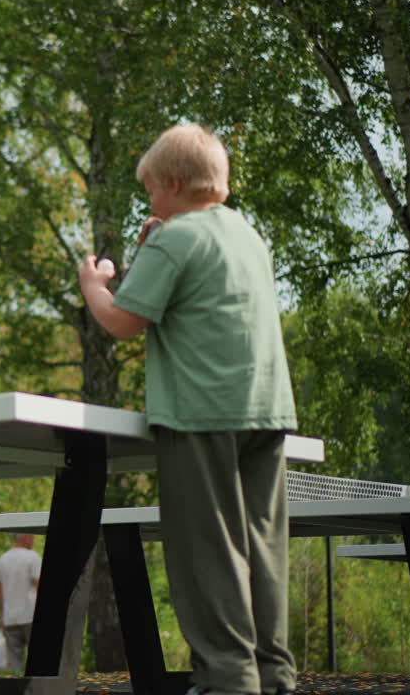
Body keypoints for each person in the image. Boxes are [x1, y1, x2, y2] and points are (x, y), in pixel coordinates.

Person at [77, 124, 297, 695]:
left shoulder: (177, 240)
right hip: (266, 411)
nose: (149, 201)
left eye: (150, 189)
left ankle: (227, 678)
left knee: (208, 549)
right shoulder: (248, 236)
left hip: (201, 413)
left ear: (172, 183)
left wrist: (94, 285)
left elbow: (124, 321)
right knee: (262, 545)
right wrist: (159, 239)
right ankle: (273, 673)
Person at [0, 532, 42, 671]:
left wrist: (2, 616)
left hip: (10, 618)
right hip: (30, 616)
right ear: (26, 537)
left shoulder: (2, 559)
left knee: (15, 665)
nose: (33, 541)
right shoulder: (32, 557)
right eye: (32, 537)